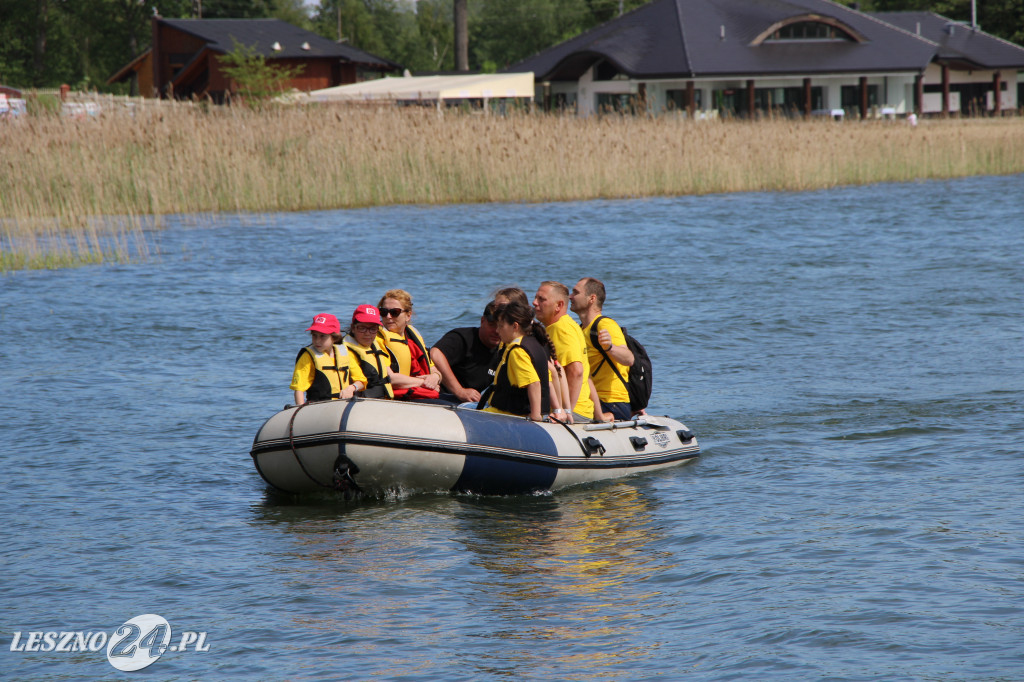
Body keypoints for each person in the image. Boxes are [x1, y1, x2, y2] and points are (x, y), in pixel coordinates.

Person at [479, 301, 568, 421]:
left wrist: (535, 416)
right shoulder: (534, 343)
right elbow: (547, 380)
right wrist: (557, 409)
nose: (497, 330)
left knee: (463, 406)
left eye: (500, 326)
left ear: (515, 326)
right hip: (520, 413)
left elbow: (534, 383)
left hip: (509, 415)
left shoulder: (517, 351)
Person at [569, 277, 635, 421]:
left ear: (591, 298)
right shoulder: (580, 329)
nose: (570, 296)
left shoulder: (605, 324)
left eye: (575, 292)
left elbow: (629, 359)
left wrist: (610, 347)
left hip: (612, 403)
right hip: (592, 401)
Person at [533, 281, 600, 422]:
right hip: (582, 409)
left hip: (575, 411)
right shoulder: (566, 324)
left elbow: (576, 371)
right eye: (535, 297)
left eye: (541, 299)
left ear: (559, 305)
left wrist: (565, 412)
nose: (534, 303)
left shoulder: (560, 329)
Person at [342, 305, 425, 399]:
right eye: (362, 328)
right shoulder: (346, 350)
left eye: (373, 329)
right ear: (353, 328)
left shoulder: (376, 347)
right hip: (362, 401)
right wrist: (351, 388)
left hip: (384, 400)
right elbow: (360, 379)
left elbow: (388, 374)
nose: (367, 333)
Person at [376, 289, 444, 401]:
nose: (388, 316)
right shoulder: (377, 337)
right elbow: (390, 378)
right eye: (383, 312)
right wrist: (424, 383)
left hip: (416, 393)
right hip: (395, 397)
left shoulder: (413, 335)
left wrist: (435, 377)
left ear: (408, 315)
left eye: (394, 312)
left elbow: (432, 367)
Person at [429, 301, 502, 403]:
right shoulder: (462, 338)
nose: (496, 331)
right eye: (492, 325)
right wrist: (459, 391)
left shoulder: (505, 349)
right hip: (439, 396)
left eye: (500, 326)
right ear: (482, 321)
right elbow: (435, 353)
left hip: (466, 403)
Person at [290, 313, 366, 406]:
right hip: (319, 407)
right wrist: (300, 410)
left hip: (343, 405)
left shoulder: (345, 353)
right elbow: (299, 389)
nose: (317, 341)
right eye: (314, 335)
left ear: (334, 337)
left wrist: (351, 388)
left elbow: (362, 381)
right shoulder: (307, 356)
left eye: (322, 336)